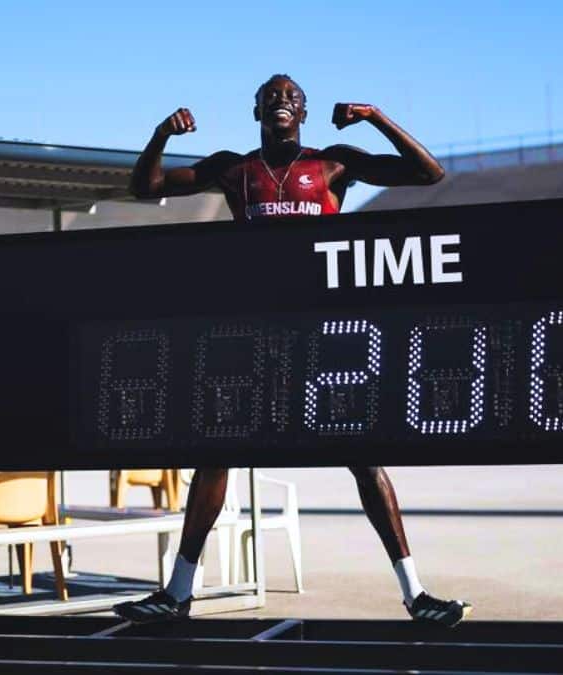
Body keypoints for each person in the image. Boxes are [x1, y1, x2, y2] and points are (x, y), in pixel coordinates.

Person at [114, 75, 469, 628]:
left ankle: (416, 595)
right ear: (256, 108)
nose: (281, 101)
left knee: (365, 459)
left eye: (291, 97)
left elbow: (429, 173)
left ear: (303, 110)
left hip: (323, 334)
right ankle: (176, 594)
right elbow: (147, 184)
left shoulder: (333, 163)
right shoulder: (235, 169)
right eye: (271, 96)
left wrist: (375, 116)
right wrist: (162, 132)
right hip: (255, 336)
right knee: (214, 454)